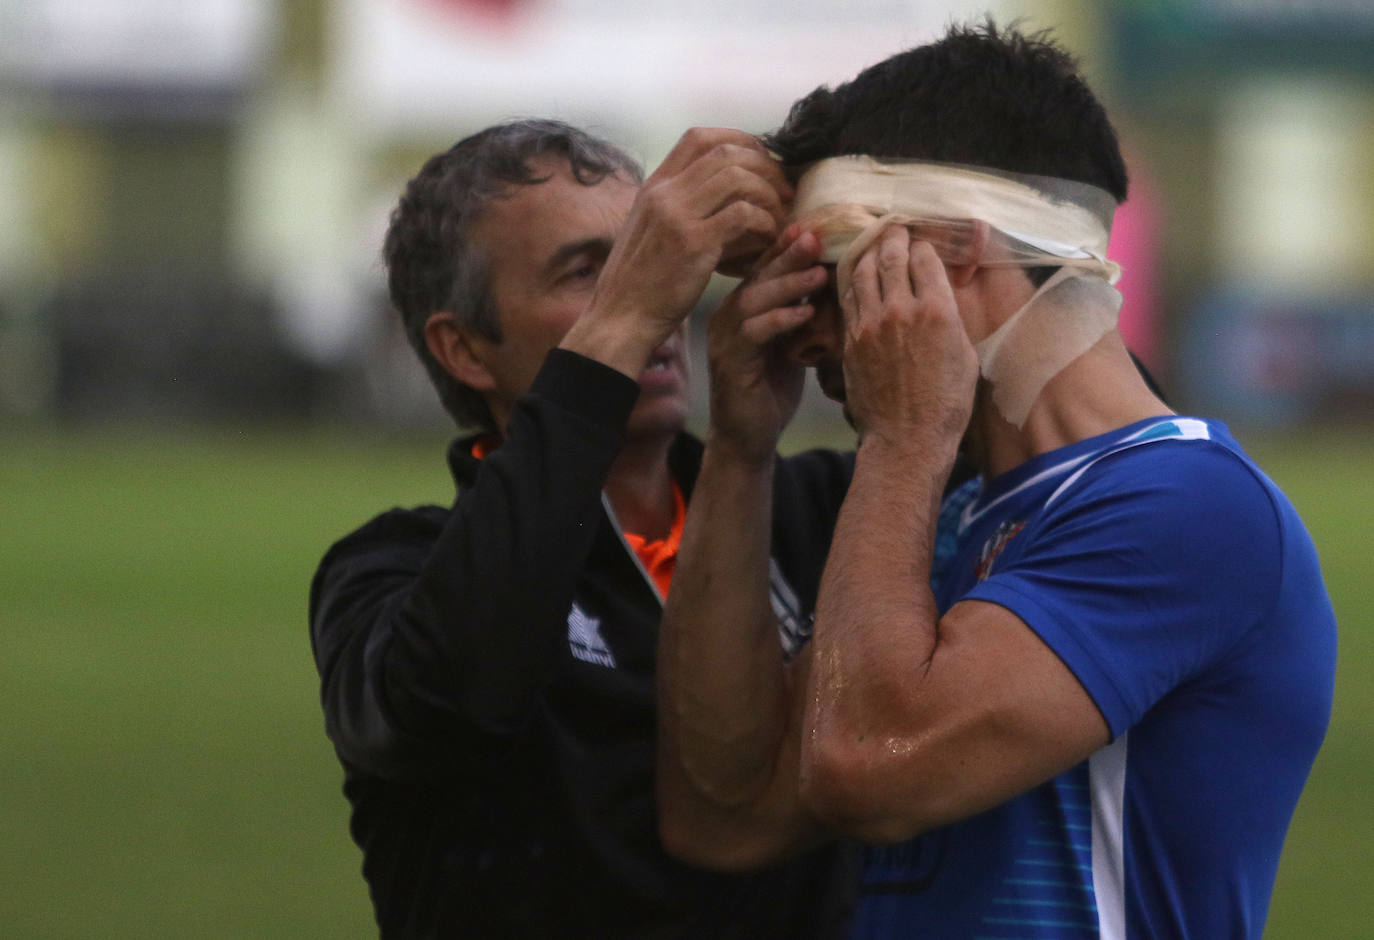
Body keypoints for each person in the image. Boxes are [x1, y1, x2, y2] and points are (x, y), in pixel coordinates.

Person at [656, 23, 1337, 939]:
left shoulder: (1190, 505)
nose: (803, 327)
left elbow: (864, 764)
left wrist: (903, 441)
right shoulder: (947, 515)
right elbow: (725, 819)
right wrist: (739, 452)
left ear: (951, 253)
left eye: (827, 273)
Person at [308, 119, 857, 937]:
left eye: (651, 255)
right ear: (464, 350)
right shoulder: (391, 572)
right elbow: (450, 701)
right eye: (586, 271)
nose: (665, 298)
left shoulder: (816, 512)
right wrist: (622, 320)